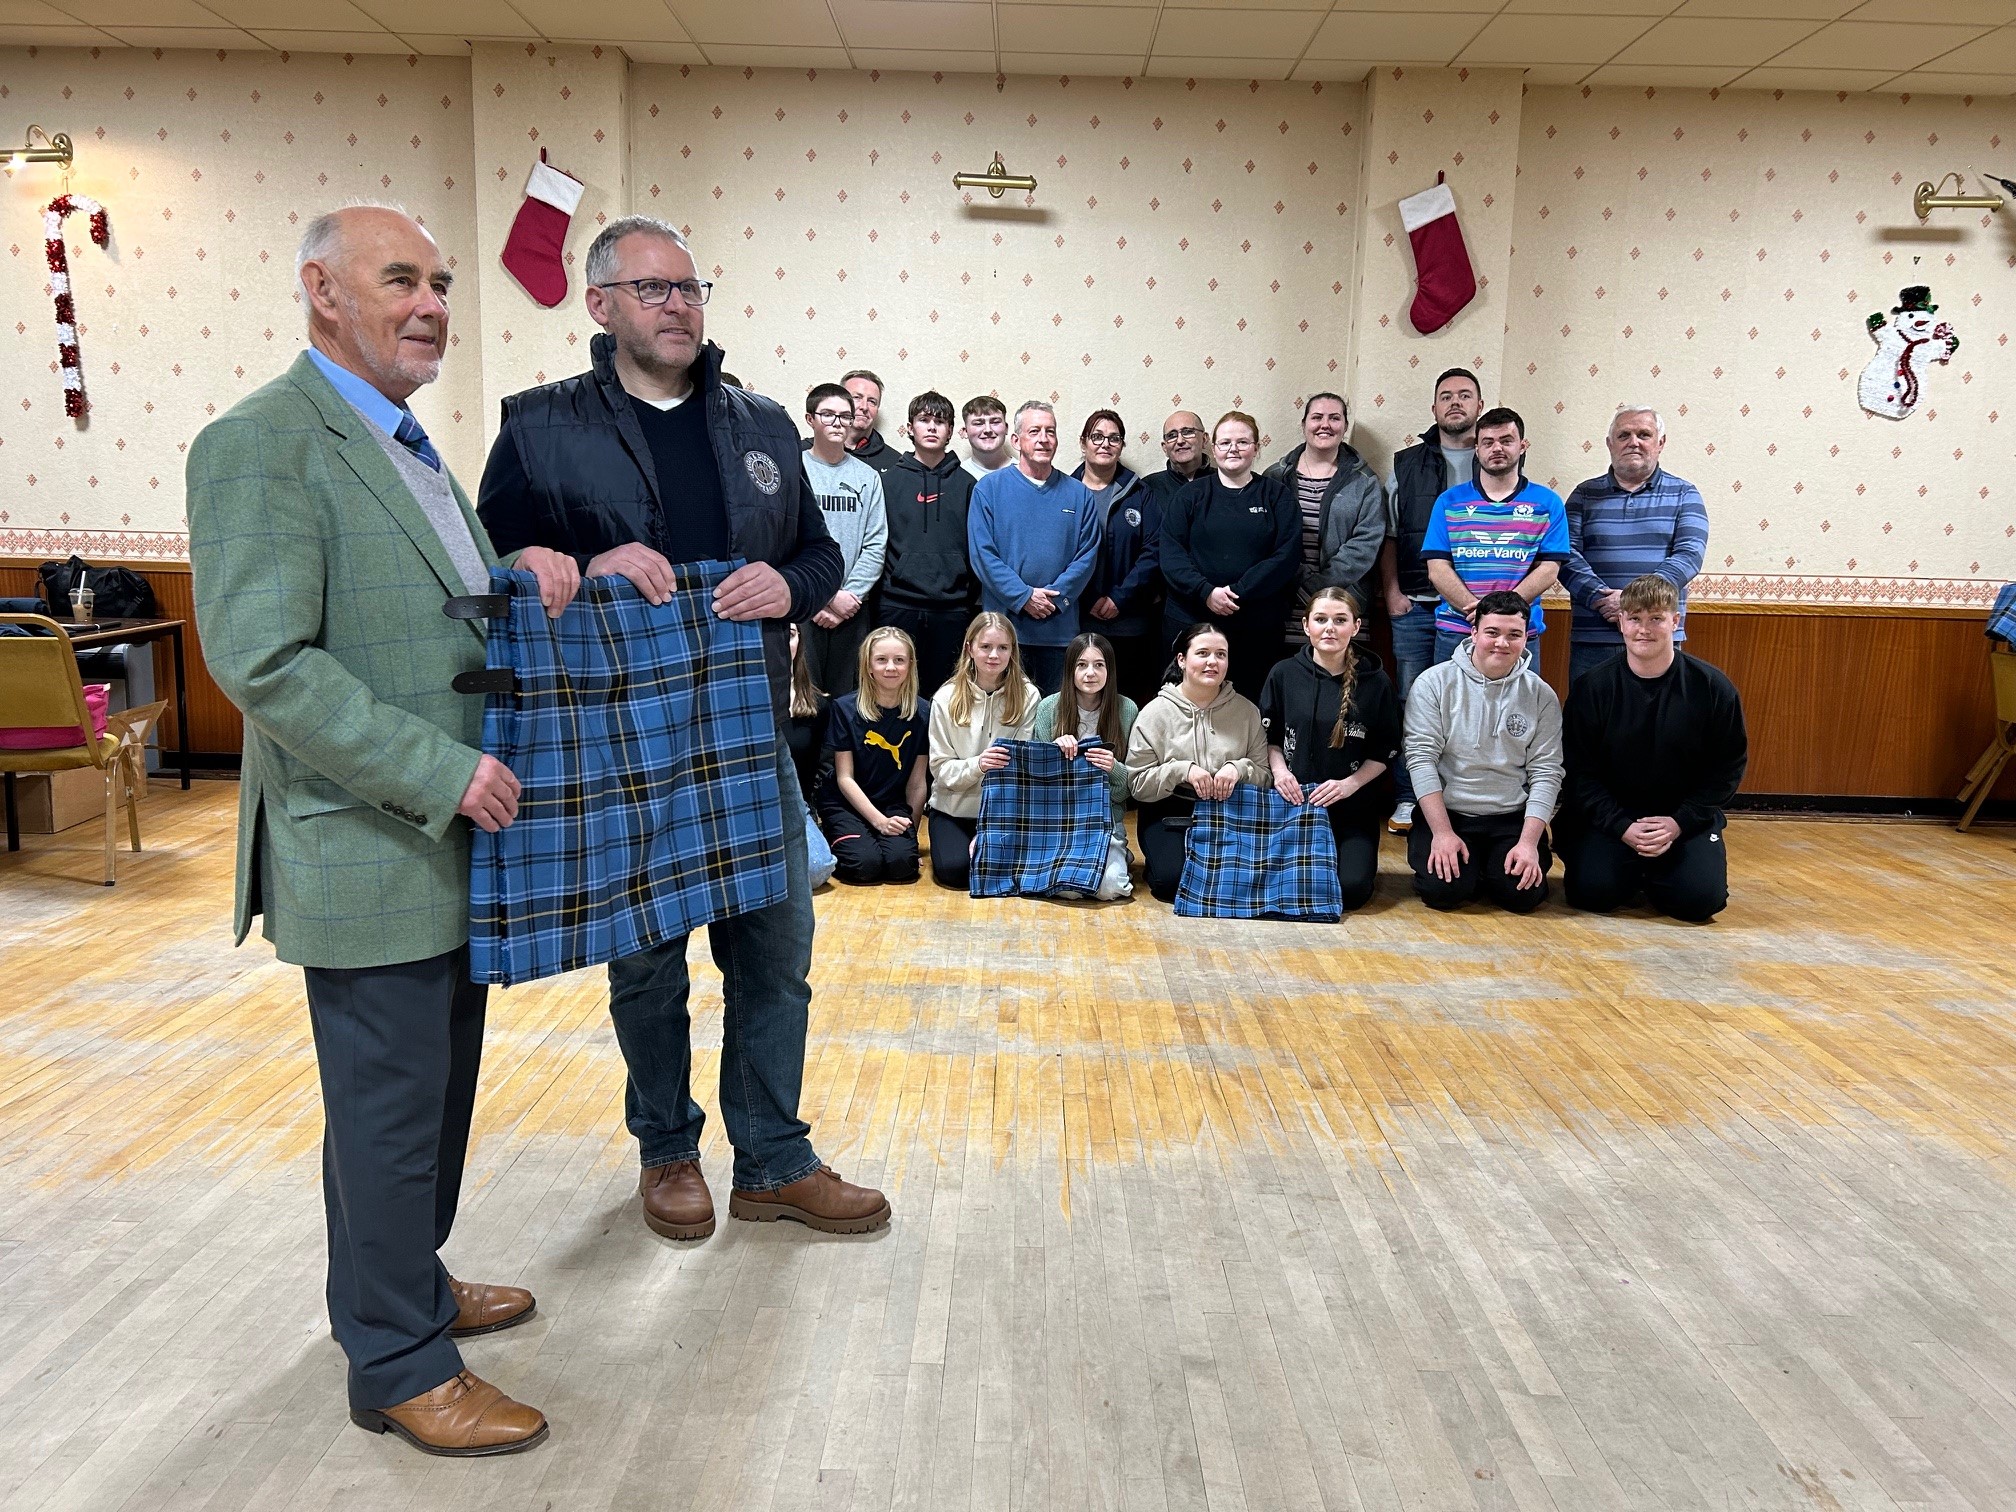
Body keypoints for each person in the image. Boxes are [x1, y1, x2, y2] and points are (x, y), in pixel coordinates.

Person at [188, 204, 547, 1456]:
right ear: (322, 293)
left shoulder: (404, 443)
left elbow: (436, 617)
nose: (434, 303)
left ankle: (404, 1286)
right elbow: (263, 659)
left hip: (446, 840)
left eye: (441, 281)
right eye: (402, 279)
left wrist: (543, 572)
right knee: (393, 1113)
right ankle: (398, 1362)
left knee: (427, 1104)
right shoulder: (261, 442)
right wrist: (440, 772)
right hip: (371, 832)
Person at [476, 213, 889, 1243]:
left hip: (748, 734)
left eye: (691, 289)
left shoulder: (760, 425)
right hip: (619, 746)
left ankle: (772, 1159)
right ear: (601, 303)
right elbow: (483, 568)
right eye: (654, 290)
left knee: (776, 948)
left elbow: (820, 561)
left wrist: (783, 584)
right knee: (649, 963)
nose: (678, 307)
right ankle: (667, 1151)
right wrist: (560, 561)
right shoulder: (538, 425)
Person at [1560, 575, 1747, 922]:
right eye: (1634, 618)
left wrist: (1679, 823)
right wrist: (1621, 826)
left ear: (1675, 622)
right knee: (1592, 893)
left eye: (1656, 618)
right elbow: (1578, 771)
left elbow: (1727, 768)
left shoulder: (1713, 688)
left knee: (1699, 903)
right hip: (1612, 820)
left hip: (1681, 819)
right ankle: (1631, 870)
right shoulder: (1593, 688)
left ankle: (1659, 871)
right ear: (1621, 622)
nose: (1644, 629)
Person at [1402, 591, 1563, 914]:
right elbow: (1421, 759)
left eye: (1514, 635)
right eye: (1492, 632)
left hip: (1510, 818)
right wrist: (1443, 833)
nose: (1502, 643)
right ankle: (1474, 870)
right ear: (1474, 632)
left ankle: (1488, 870)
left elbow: (1547, 772)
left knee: (1522, 897)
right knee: (1443, 892)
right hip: (1450, 815)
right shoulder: (1433, 684)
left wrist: (1529, 843)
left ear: (1526, 637)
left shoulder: (1541, 695)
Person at [1378, 366, 1480, 834]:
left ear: (1479, 406)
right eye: (1446, 396)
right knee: (1412, 702)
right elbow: (1391, 535)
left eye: (1465, 395)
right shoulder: (1408, 464)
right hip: (1416, 605)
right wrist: (1393, 593)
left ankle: (1456, 799)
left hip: (1475, 610)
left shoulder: (1496, 456)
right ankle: (1407, 796)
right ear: (1434, 408)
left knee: (1462, 705)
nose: (1455, 403)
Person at [1259, 586, 1401, 912]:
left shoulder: (1376, 682)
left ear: (1356, 626)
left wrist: (1349, 785)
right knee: (1284, 887)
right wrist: (1280, 773)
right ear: (1306, 625)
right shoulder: (1283, 674)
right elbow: (1269, 737)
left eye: (1340, 620)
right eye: (1321, 619)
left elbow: (1386, 749)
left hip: (1352, 810)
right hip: (1294, 805)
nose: (1330, 628)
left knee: (1350, 891)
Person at [1562, 405, 1710, 684]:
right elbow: (1565, 556)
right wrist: (1600, 598)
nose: (1634, 442)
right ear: (1609, 444)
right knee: (1589, 724)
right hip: (1594, 637)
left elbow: (1689, 556)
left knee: (1660, 724)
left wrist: (1631, 602)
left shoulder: (1685, 494)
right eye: (1624, 435)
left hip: (1657, 637)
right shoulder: (1583, 495)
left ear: (1660, 443)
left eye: (1644, 434)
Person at [1126, 622, 1271, 903]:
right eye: (1202, 653)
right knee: (1173, 884)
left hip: (1232, 810)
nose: (1212, 662)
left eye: (1221, 654)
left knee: (1241, 883)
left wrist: (1239, 769)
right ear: (1182, 660)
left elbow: (1265, 776)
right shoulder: (1154, 713)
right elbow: (1137, 784)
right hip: (1171, 809)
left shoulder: (1247, 711)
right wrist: (1181, 770)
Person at [967, 400, 1103, 692]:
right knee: (1005, 720)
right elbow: (982, 555)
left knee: (1053, 720)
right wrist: (1023, 596)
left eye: (1050, 431)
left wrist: (1054, 599)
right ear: (1016, 440)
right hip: (1003, 634)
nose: (1044, 439)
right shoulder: (989, 489)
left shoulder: (1079, 495)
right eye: (1035, 431)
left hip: (1060, 631)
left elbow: (1087, 556)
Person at [1159, 410, 1301, 690]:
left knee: (1249, 702)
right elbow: (1171, 553)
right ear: (1213, 447)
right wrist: (1206, 592)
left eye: (1242, 442)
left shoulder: (1277, 496)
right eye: (1225, 443)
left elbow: (1286, 555)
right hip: (1191, 618)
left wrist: (1238, 591)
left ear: (1256, 448)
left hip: (1257, 625)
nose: (1233, 449)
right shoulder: (1190, 496)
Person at [1420, 406, 1569, 665]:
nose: (1496, 448)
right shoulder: (1449, 502)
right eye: (1487, 442)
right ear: (1477, 449)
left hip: (1519, 633)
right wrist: (1482, 615)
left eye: (1506, 440)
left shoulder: (1548, 503)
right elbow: (1437, 569)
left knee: (1519, 708)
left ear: (1522, 446)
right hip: (1457, 632)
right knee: (1449, 707)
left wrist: (1499, 615)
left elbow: (1549, 570)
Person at [924, 611, 1041, 889]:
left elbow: (1021, 772)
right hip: (952, 808)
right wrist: (979, 764)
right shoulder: (945, 698)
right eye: (985, 647)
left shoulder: (1028, 696)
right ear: (970, 648)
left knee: (999, 871)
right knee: (955, 872)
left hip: (1004, 812)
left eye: (1003, 648)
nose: (993, 656)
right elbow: (941, 770)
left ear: (1013, 651)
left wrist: (990, 830)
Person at [1263, 392, 1385, 647]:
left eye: (1334, 418)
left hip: (1342, 604)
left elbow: (1366, 542)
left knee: (1340, 682)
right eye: (1317, 417)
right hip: (1285, 603)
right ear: (1304, 424)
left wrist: (1321, 586)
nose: (1325, 425)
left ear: (1345, 427)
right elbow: (1266, 538)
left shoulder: (1364, 481)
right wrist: (1298, 579)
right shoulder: (1275, 477)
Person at [881, 389, 979, 696]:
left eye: (940, 421)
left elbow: (977, 550)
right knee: (893, 694)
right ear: (910, 428)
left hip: (951, 609)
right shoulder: (886, 481)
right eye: (924, 420)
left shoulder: (968, 485)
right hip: (898, 604)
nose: (932, 427)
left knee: (945, 696)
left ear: (951, 430)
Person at [1032, 631, 1139, 900]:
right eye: (1082, 665)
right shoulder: (1049, 708)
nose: (1090, 673)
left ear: (1109, 670)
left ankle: (1117, 853)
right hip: (1059, 820)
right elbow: (1038, 785)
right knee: (1067, 890)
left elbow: (1129, 790)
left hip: (1105, 820)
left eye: (1099, 665)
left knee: (1110, 889)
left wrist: (1112, 767)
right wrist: (1054, 755)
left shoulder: (1127, 710)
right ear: (1070, 669)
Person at [799, 380, 889, 696]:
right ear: (810, 419)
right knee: (803, 699)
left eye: (844, 416)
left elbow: (876, 543)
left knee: (846, 701)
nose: (838, 423)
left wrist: (849, 595)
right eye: (828, 415)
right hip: (803, 605)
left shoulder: (867, 477)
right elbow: (785, 539)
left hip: (851, 608)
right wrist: (821, 595)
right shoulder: (793, 469)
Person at [820, 626, 930, 884]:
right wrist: (879, 822)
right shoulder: (845, 709)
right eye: (881, 660)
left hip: (891, 803)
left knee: (902, 865)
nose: (890, 667)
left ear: (910, 665)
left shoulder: (923, 711)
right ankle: (835, 832)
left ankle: (883, 839)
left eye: (899, 660)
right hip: (846, 802)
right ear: (868, 666)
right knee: (865, 866)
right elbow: (845, 778)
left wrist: (910, 834)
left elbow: (917, 783)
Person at [1074, 408, 1163, 708]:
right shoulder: (1065, 491)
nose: (1105, 444)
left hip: (1131, 622)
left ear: (1122, 446)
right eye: (1097, 437)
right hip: (1078, 619)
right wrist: (1088, 599)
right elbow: (1060, 555)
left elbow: (1153, 551)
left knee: (1126, 703)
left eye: (1114, 438)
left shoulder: (1140, 493)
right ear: (1083, 442)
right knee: (1083, 702)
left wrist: (1119, 599)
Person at [787, 622, 839, 889]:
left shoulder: (818, 704)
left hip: (795, 805)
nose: (784, 642)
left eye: (792, 635)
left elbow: (824, 765)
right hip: (748, 806)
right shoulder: (742, 698)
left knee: (817, 869)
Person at [1142, 408, 1212, 510]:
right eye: (1172, 435)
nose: (1180, 441)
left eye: (1187, 432)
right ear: (1165, 447)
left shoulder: (1224, 481)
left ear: (1204, 439)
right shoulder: (1148, 487)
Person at [959, 393, 1013, 479]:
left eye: (995, 422)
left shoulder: (1024, 473)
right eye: (978, 423)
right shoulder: (957, 475)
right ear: (965, 432)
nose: (988, 430)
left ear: (1006, 428)